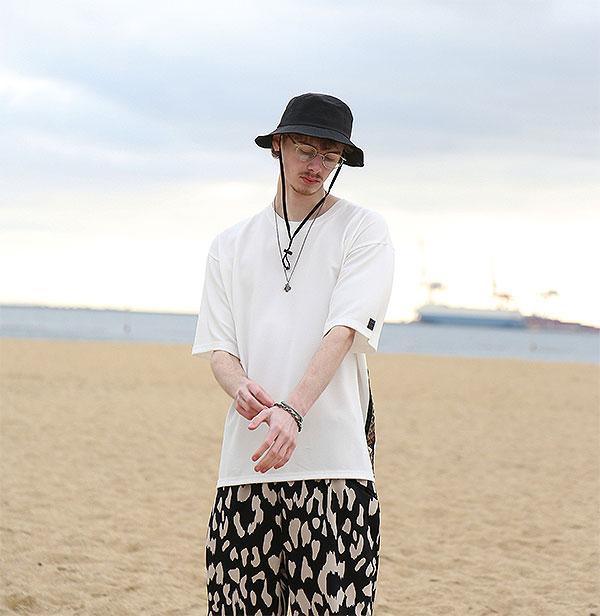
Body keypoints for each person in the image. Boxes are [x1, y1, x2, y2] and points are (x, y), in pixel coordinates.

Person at [192, 92, 395, 615]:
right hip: (246, 469)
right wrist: (239, 386)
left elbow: (344, 329)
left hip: (335, 468)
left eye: (331, 156)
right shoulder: (229, 245)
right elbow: (219, 347)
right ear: (277, 146)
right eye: (306, 150)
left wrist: (293, 410)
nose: (317, 165)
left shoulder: (363, 229)